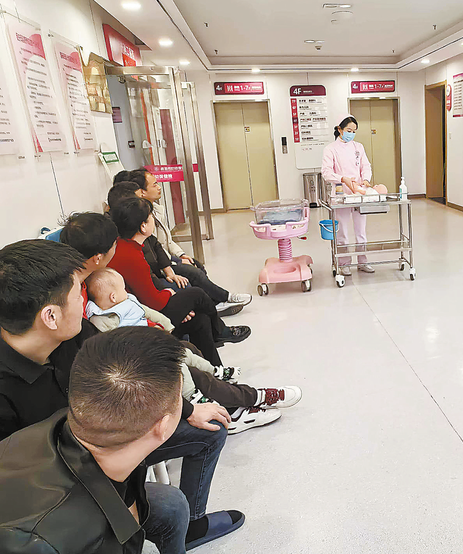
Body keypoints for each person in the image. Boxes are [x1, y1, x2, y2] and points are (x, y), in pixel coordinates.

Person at [0, 239, 244, 551]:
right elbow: (24, 493)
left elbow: (129, 371)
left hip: (110, 451)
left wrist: (186, 409)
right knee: (168, 511)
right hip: (60, 502)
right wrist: (117, 500)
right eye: (77, 295)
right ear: (50, 316)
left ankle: (191, 527)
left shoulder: (75, 334)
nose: (84, 303)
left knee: (209, 431)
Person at [0, 327, 203, 554]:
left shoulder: (68, 426)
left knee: (170, 507)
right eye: (180, 398)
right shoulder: (75, 551)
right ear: (163, 427)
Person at [85, 267, 302, 434]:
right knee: (190, 369)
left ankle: (225, 387)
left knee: (191, 342)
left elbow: (149, 308)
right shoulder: (100, 319)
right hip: (140, 363)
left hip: (152, 343)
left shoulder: (113, 296)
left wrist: (165, 327)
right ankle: (248, 402)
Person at [108, 197, 250, 366]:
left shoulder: (125, 246)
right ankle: (219, 331)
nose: (153, 219)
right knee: (196, 294)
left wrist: (179, 305)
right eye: (150, 216)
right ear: (143, 226)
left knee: (200, 320)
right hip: (144, 318)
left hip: (144, 310)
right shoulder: (131, 256)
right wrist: (170, 295)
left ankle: (215, 370)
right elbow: (153, 302)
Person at [116, 169, 252, 316]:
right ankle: (221, 300)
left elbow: (162, 243)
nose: (159, 187)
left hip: (164, 260)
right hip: (160, 266)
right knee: (191, 276)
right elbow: (151, 261)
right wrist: (171, 267)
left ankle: (215, 302)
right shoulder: (137, 223)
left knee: (196, 265)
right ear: (142, 192)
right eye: (154, 184)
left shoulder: (154, 211)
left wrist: (180, 255)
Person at [321, 115, 376, 276]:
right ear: (340, 129)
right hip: (341, 194)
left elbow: (366, 166)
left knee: (361, 231)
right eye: (348, 130)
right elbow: (326, 173)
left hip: (358, 193)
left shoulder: (358, 147)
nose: (351, 134)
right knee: (342, 232)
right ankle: (344, 263)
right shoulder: (330, 149)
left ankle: (363, 261)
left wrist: (366, 179)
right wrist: (342, 179)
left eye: (354, 131)